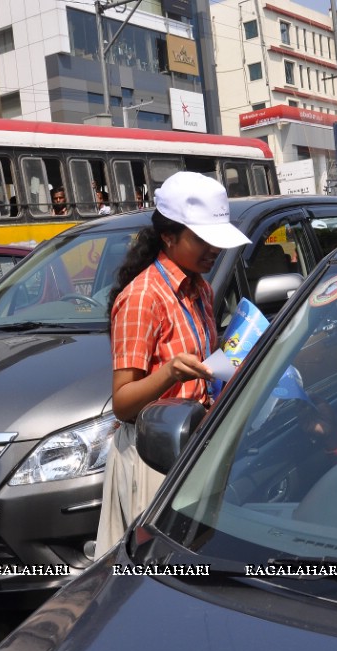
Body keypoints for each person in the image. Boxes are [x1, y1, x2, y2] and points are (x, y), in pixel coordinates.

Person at [94, 171, 251, 555]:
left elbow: (205, 368)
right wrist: (169, 373)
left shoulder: (200, 288)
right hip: (153, 458)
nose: (214, 249)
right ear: (169, 237)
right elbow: (124, 403)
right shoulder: (143, 297)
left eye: (217, 239)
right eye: (202, 239)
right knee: (154, 568)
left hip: (195, 447)